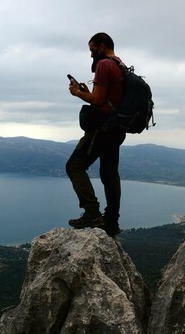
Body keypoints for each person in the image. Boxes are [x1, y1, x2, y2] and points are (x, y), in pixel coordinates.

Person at [66, 32, 126, 236]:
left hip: (102, 128)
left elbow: (99, 102)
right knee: (109, 175)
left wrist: (77, 93)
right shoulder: (120, 64)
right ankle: (111, 222)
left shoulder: (104, 65)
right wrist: (87, 92)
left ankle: (92, 212)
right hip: (117, 129)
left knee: (74, 166)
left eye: (92, 50)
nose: (91, 55)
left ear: (101, 45)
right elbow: (105, 98)